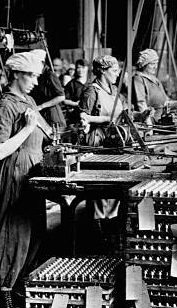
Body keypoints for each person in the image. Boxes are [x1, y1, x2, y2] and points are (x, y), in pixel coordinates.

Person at [0, 49, 47, 308]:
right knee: (15, 232)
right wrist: (26, 128)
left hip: (32, 171)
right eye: (32, 76)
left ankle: (21, 285)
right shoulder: (6, 105)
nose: (36, 82)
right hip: (15, 171)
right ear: (16, 75)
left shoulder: (29, 100)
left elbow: (46, 130)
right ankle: (5, 294)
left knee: (34, 230)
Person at [79, 55, 124, 248]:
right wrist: (106, 119)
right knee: (99, 193)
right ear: (103, 71)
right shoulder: (91, 90)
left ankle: (110, 231)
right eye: (114, 71)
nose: (117, 74)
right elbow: (83, 117)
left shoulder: (113, 90)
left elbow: (121, 112)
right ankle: (97, 239)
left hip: (114, 141)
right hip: (97, 142)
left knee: (112, 189)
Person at [30, 51, 66, 128]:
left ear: (42, 63)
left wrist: (42, 106)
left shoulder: (50, 75)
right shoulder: (38, 76)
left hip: (53, 115)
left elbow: (61, 97)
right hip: (42, 114)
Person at [132, 48, 168, 123]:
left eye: (156, 63)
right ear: (144, 64)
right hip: (151, 120)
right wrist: (148, 123)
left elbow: (165, 101)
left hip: (162, 117)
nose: (155, 67)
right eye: (152, 64)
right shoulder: (138, 79)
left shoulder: (155, 79)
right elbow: (141, 103)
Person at [62, 59, 89, 125]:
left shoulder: (91, 83)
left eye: (83, 67)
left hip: (89, 115)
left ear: (87, 68)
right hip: (75, 115)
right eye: (78, 68)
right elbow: (64, 100)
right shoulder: (71, 84)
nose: (80, 70)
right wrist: (75, 104)